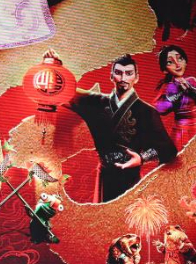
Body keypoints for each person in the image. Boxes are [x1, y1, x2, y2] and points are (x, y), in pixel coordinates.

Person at [65, 54, 177, 202]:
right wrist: (54, 65)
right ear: (112, 76)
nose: (123, 78)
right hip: (104, 174)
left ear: (136, 78)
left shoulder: (147, 111)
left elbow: (168, 149)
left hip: (130, 177)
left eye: (129, 73)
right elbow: (64, 92)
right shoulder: (96, 102)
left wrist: (141, 158)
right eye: (118, 73)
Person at [154, 45, 196, 149]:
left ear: (185, 61)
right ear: (165, 70)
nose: (177, 64)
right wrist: (176, 95)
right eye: (170, 62)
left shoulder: (191, 81)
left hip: (195, 129)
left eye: (180, 58)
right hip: (179, 132)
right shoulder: (168, 86)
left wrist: (191, 90)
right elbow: (158, 108)